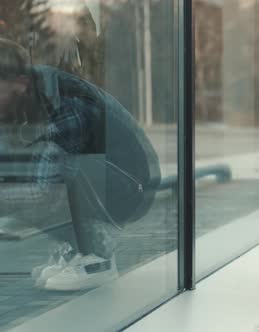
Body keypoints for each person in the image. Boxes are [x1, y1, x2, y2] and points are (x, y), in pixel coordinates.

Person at [0, 37, 160, 291]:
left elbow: (45, 191)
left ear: (20, 83)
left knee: (62, 169)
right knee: (26, 175)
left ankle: (98, 259)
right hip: (110, 180)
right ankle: (77, 251)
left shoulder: (64, 103)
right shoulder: (26, 99)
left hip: (132, 186)